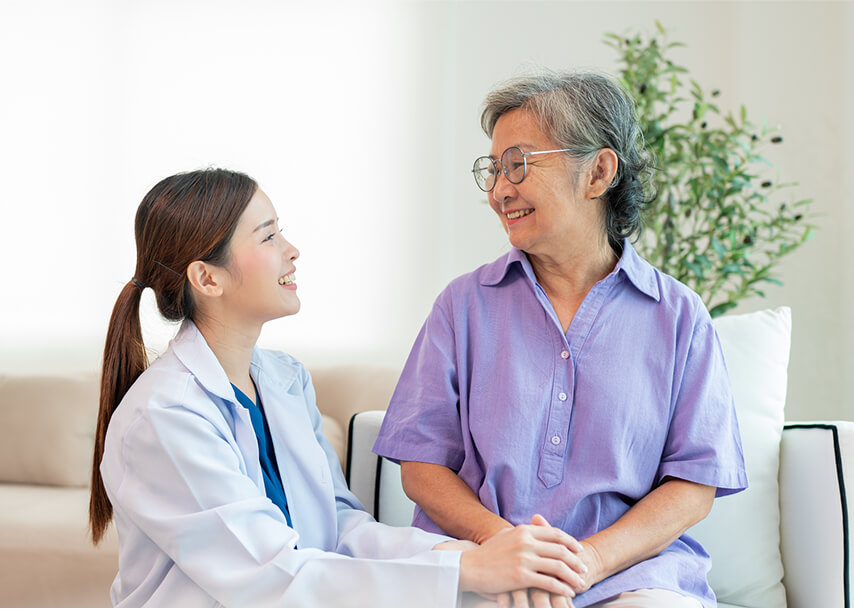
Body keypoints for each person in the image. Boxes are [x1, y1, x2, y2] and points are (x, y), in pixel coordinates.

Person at [87, 168, 590, 607]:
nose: (291, 250)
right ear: (207, 278)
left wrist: (468, 555)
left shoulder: (284, 380)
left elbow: (338, 528)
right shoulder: (163, 416)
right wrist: (467, 572)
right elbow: (270, 577)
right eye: (267, 237)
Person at [373, 72, 748, 608]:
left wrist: (586, 562)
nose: (501, 190)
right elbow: (421, 467)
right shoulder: (462, 305)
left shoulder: (679, 316)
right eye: (494, 170)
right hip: (484, 564)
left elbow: (694, 487)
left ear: (598, 172)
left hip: (630, 576)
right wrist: (504, 546)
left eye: (520, 164)